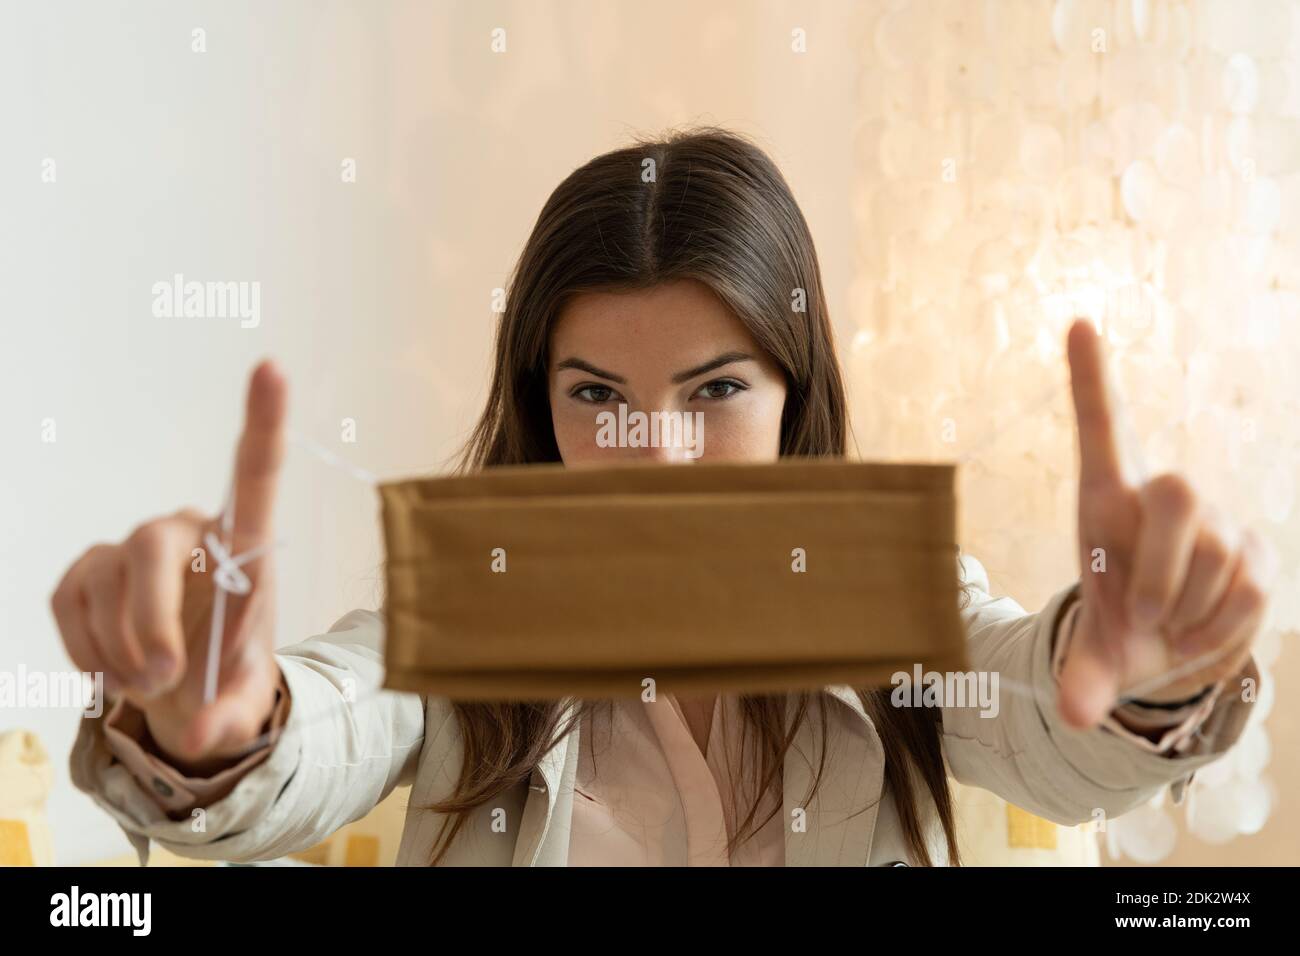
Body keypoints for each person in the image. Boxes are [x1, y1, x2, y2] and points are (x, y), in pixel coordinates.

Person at [59, 128, 1265, 866]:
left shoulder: (890, 596)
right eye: (596, 394)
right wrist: (214, 736)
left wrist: (1144, 681)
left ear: (796, 395)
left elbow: (1039, 717)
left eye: (715, 389)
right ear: (541, 403)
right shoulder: (477, 606)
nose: (655, 450)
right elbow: (334, 716)